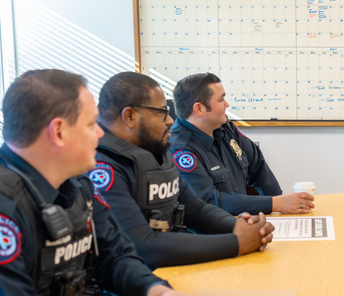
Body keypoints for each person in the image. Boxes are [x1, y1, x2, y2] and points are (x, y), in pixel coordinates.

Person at [0, 69, 197, 296]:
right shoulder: (6, 207)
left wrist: (150, 286)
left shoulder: (77, 185)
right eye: (91, 124)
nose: (101, 133)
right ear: (59, 132)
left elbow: (116, 256)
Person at [89, 72, 273, 269]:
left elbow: (195, 208)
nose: (169, 120)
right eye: (161, 112)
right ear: (130, 116)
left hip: (169, 271)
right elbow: (142, 244)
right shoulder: (102, 167)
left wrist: (239, 226)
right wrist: (237, 243)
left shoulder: (154, 151)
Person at [169, 72, 314, 215]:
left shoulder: (225, 129)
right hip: (212, 234)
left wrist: (282, 204)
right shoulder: (180, 150)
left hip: (243, 224)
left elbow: (258, 165)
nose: (227, 104)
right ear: (199, 109)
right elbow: (210, 201)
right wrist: (274, 204)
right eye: (221, 100)